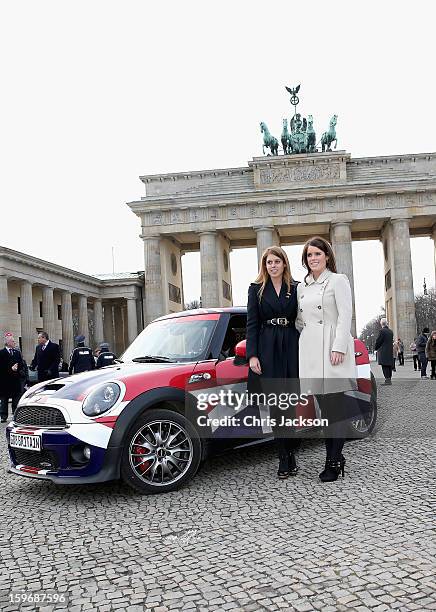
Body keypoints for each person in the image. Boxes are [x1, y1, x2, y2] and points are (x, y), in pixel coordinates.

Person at [296, 236, 358, 483]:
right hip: (312, 350)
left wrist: (339, 346)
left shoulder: (338, 280)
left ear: (327, 256)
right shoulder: (302, 286)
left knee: (336, 409)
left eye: (317, 254)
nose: (313, 259)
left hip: (333, 348)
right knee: (323, 409)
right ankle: (335, 457)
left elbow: (346, 315)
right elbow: (300, 321)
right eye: (309, 255)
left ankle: (333, 460)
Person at [246, 246, 300, 479]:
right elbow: (252, 324)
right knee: (277, 406)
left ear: (284, 264)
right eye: (269, 262)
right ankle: (283, 457)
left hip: (291, 344)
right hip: (267, 347)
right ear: (264, 265)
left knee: (291, 404)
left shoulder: (296, 288)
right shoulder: (255, 289)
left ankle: (292, 452)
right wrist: (252, 355)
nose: (273, 266)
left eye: (277, 261)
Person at [0, 334, 25, 422]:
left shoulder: (17, 353)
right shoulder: (1, 353)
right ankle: (3, 415)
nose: (14, 343)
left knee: (16, 398)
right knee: (4, 399)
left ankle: (15, 413)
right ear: (8, 342)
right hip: (5, 380)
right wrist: (11, 368)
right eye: (13, 341)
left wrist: (18, 368)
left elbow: (21, 364)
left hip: (15, 379)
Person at [374, 319, 394, 385]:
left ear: (381, 324)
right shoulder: (391, 331)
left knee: (384, 365)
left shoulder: (382, 331)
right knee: (389, 365)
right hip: (390, 351)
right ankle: (389, 379)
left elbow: (379, 341)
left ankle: (387, 380)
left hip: (383, 351)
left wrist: (376, 347)